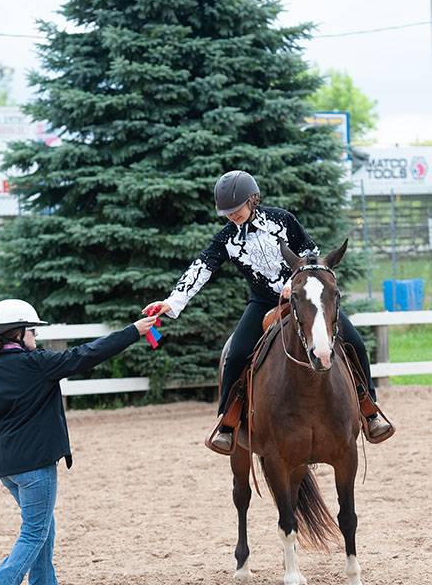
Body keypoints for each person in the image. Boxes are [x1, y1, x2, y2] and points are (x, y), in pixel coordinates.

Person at [143, 170, 393, 451]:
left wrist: (293, 283)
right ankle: (228, 422)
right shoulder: (226, 239)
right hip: (262, 303)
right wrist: (172, 301)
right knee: (236, 354)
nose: (231, 215)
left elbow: (310, 251)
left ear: (253, 199)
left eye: (235, 209)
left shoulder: (282, 220)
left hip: (304, 296)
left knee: (355, 342)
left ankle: (369, 410)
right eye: (226, 212)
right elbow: (201, 268)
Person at [0, 299, 157, 585]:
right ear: (18, 333)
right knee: (34, 532)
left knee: (43, 528)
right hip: (35, 466)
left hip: (9, 469)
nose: (36, 337)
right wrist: (133, 331)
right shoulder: (38, 364)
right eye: (32, 331)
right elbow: (87, 354)